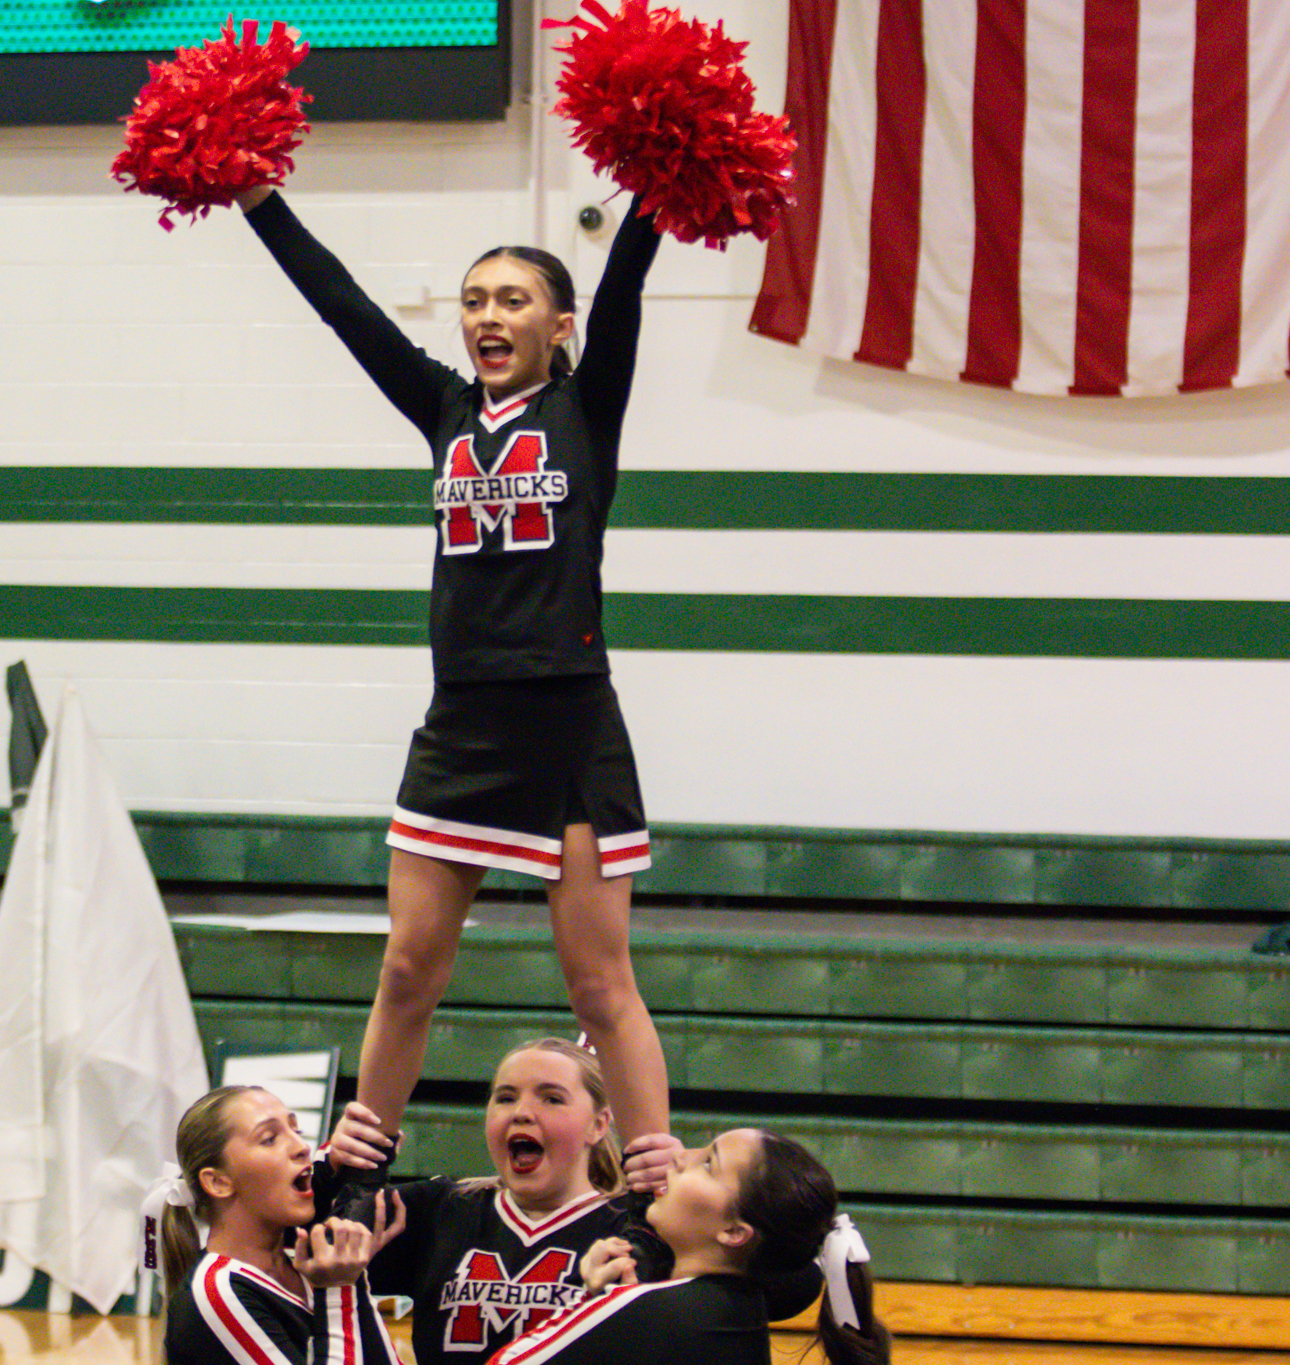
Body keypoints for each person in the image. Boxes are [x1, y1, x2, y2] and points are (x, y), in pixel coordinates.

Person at [228, 175, 672, 1209]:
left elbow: (628, 287)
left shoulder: (584, 404)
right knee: (403, 973)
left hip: (567, 721)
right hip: (460, 724)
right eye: (474, 301)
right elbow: (341, 305)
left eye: (512, 300)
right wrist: (260, 204)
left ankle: (658, 1194)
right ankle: (348, 1175)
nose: (486, 317)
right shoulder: (440, 406)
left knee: (600, 988)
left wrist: (660, 171)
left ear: (559, 326)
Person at [324, 1039, 821, 1365]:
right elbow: (299, 1240)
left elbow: (790, 1275)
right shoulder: (441, 1206)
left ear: (599, 1124)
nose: (522, 1112)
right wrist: (336, 1168)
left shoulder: (643, 1225)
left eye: (551, 1099)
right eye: (504, 1097)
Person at [485, 1129, 891, 1365]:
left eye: (709, 1164)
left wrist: (603, 1309)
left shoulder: (658, 1315)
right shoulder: (736, 1314)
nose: (681, 1158)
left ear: (735, 1232)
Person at [157, 1085, 406, 1365]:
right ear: (218, 1182)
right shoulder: (218, 1293)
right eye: (269, 1139)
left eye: (296, 1132)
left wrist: (352, 1277)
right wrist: (339, 1288)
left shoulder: (310, 1265)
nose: (302, 1147)